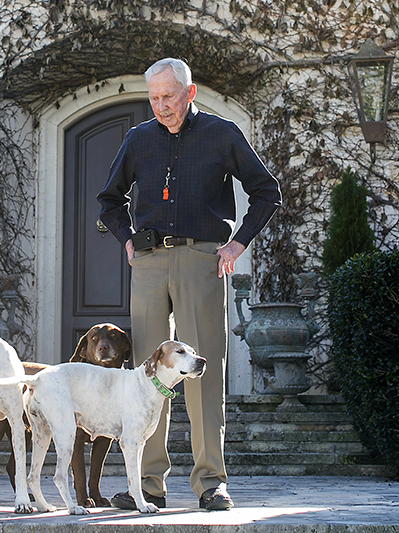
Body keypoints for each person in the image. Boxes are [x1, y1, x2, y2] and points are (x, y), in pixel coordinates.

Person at [97, 58, 282, 511]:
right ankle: (149, 485)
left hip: (203, 258)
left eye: (169, 97)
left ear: (190, 93)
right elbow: (109, 200)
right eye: (154, 98)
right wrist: (126, 241)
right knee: (146, 373)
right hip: (149, 261)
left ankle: (211, 482)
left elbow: (266, 191)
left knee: (203, 368)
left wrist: (236, 245)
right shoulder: (138, 139)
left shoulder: (222, 134)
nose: (161, 107)